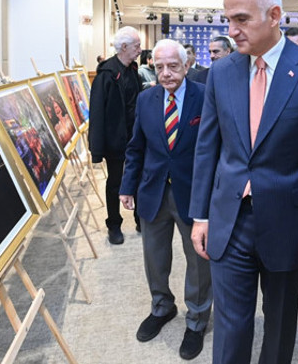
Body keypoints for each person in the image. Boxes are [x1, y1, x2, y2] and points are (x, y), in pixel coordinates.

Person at [189, 0, 298, 364]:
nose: (231, 30)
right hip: (229, 220)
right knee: (230, 327)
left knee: (279, 325)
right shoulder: (221, 72)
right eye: (228, 20)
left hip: (288, 223)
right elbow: (208, 148)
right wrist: (200, 215)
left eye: (241, 19)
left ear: (274, 15)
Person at [119, 39, 212, 360]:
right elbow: (136, 147)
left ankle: (197, 319)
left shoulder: (205, 96)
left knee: (198, 260)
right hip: (153, 191)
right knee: (154, 257)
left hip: (194, 193)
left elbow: (216, 147)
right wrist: (127, 186)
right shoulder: (147, 99)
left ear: (186, 65)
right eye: (159, 67)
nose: (166, 73)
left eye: (173, 66)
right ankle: (161, 306)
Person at [89, 26, 142, 244]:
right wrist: (97, 149)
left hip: (135, 138)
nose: (140, 50)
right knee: (115, 183)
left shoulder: (133, 70)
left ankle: (140, 219)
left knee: (138, 178)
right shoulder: (106, 74)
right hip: (115, 141)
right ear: (124, 47)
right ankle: (114, 225)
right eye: (137, 46)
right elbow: (97, 113)